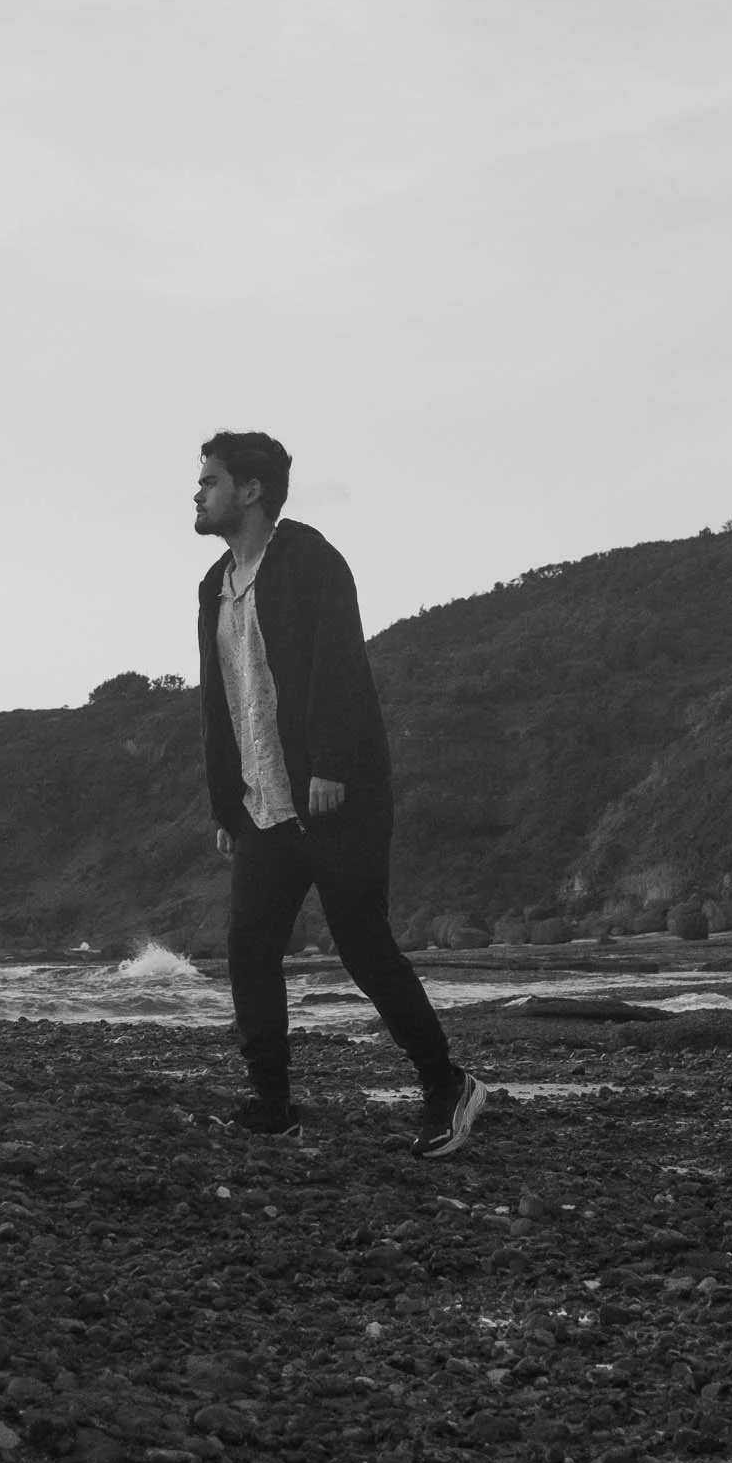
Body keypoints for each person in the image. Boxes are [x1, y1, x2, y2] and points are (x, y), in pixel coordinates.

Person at [194, 429, 486, 1157]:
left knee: (364, 946)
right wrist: (225, 804)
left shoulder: (308, 559)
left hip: (333, 796)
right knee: (248, 949)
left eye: (209, 481)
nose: (197, 493)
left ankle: (446, 1086)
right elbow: (223, 701)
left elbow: (338, 663)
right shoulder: (213, 585)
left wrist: (330, 763)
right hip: (263, 807)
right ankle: (272, 1103)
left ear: (250, 491)